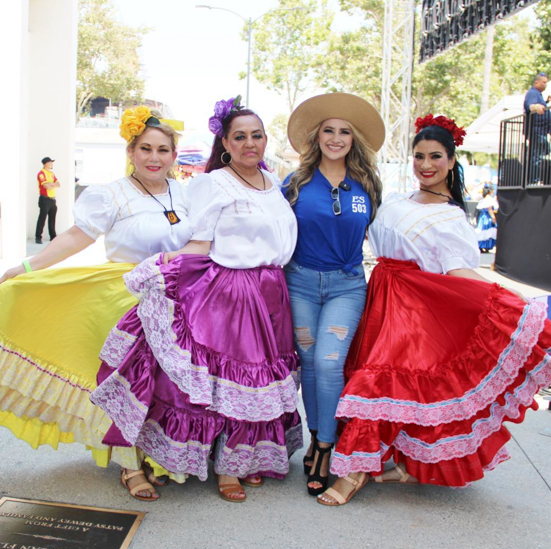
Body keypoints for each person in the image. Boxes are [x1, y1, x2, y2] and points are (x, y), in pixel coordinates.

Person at [318, 114, 551, 506]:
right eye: (419, 156)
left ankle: (353, 473)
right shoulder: (395, 199)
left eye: (436, 157)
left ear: (451, 160)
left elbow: (459, 271)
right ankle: (406, 466)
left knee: (377, 384)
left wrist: (509, 299)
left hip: (414, 309)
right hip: (379, 297)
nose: (426, 165)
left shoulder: (451, 217)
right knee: (388, 385)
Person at [90, 96, 302, 503]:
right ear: (225, 142)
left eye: (256, 135)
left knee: (260, 380)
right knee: (231, 382)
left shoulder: (273, 183)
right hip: (232, 293)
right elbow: (202, 242)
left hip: (272, 292)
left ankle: (244, 458)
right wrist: (164, 264)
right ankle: (226, 472)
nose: (249, 143)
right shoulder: (213, 181)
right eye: (239, 136)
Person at [0, 106, 190, 501]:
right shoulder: (112, 194)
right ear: (131, 152)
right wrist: (26, 267)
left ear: (174, 155)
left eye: (162, 150)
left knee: (164, 387)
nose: (154, 157)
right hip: (123, 301)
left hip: (177, 303)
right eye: (145, 149)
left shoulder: (186, 195)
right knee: (125, 387)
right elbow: (74, 237)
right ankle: (130, 466)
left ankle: (156, 455)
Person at [283, 92, 384, 496]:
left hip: (346, 284)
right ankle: (315, 438)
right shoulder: (295, 183)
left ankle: (326, 446)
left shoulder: (369, 184)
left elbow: (384, 234)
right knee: (308, 360)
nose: (336, 138)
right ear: (317, 137)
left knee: (328, 362)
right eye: (329, 130)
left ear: (353, 139)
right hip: (301, 282)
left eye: (344, 131)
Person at [524, 72, 551, 184]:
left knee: (542, 153)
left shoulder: (538, 94)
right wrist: (536, 106)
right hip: (537, 131)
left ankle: (536, 179)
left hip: (542, 131)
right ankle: (533, 181)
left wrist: (545, 103)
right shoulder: (532, 93)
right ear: (536, 82)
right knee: (536, 157)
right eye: (543, 82)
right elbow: (530, 106)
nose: (545, 85)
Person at [35, 156, 60, 244]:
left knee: (52, 218)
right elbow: (46, 186)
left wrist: (51, 184)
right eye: (50, 162)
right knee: (42, 218)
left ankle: (53, 236)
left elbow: (58, 184)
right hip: (45, 199)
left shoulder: (51, 174)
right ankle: (38, 237)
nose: (52, 164)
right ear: (46, 163)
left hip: (53, 199)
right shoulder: (41, 174)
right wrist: (52, 184)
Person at [476, 184, 497, 252]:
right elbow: (490, 209)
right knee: (488, 232)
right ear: (490, 191)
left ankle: (482, 245)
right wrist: (493, 218)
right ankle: (486, 245)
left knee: (482, 232)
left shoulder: (483, 200)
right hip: (487, 218)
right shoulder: (489, 199)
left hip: (482, 218)